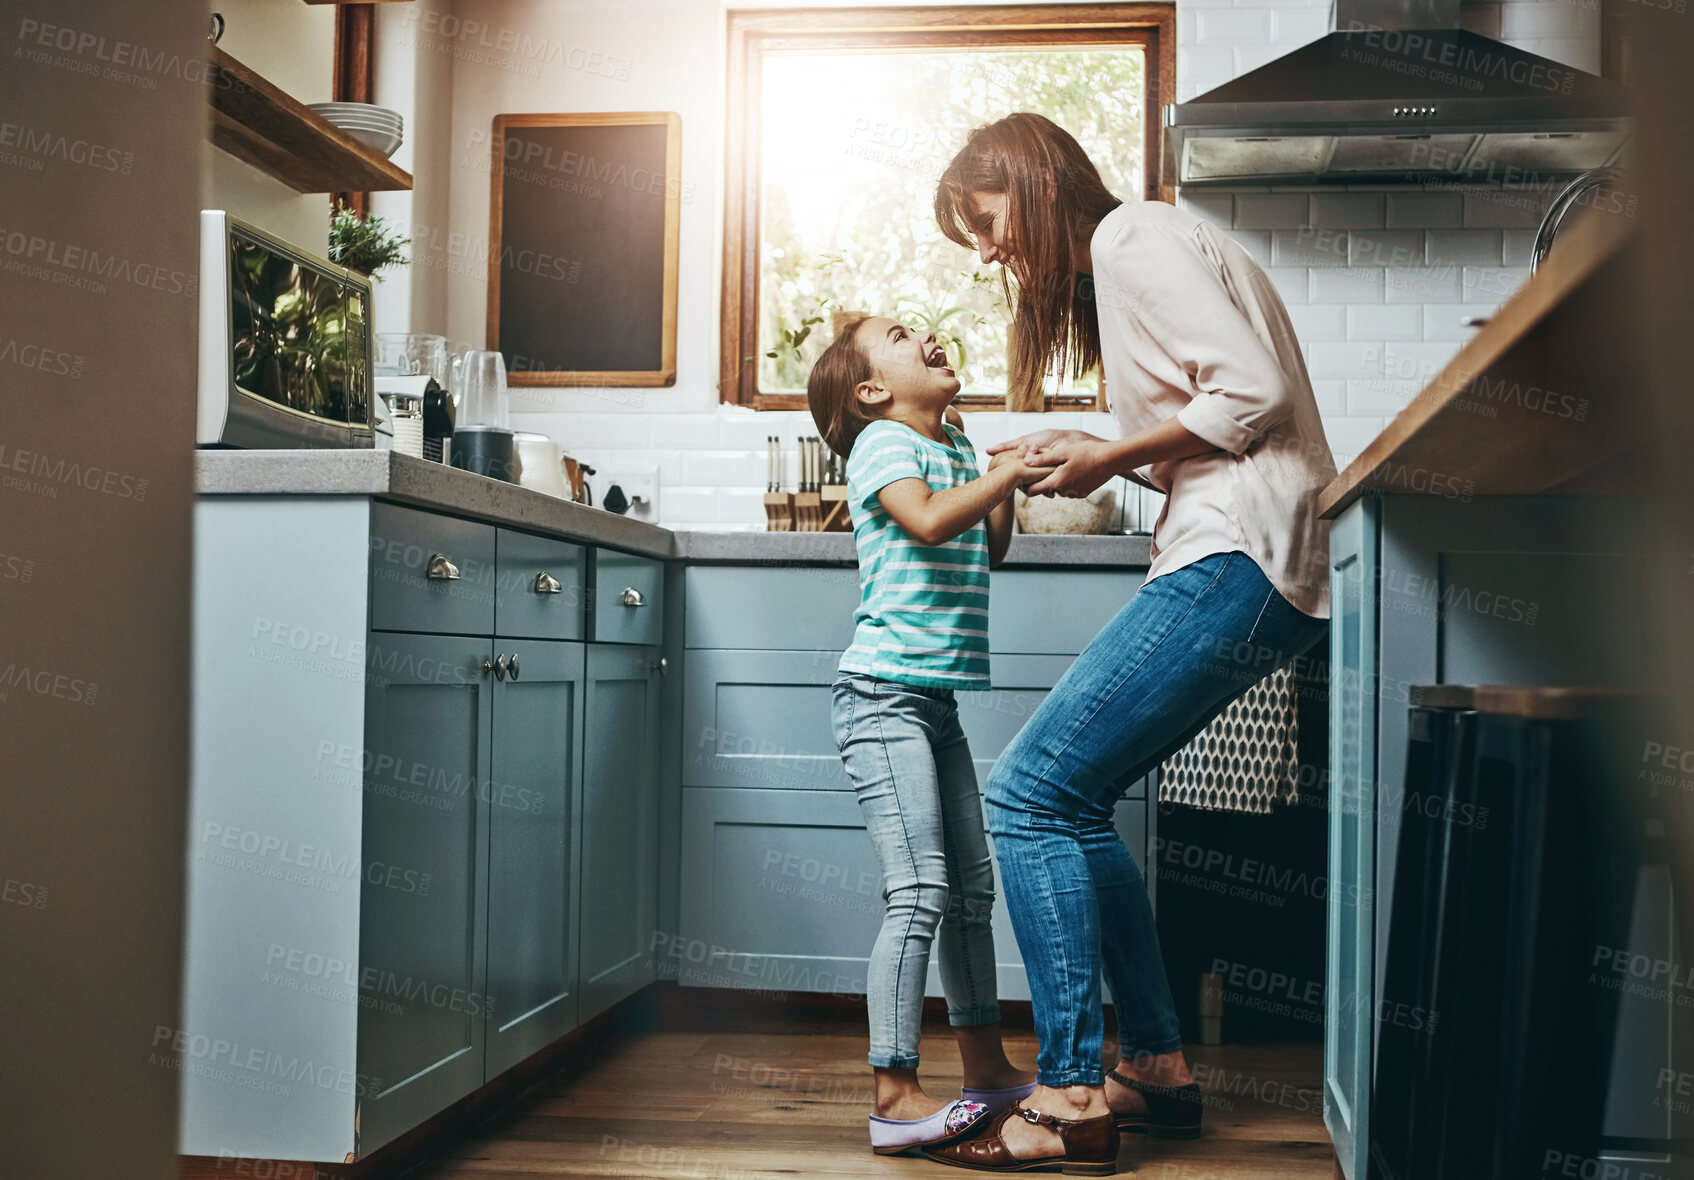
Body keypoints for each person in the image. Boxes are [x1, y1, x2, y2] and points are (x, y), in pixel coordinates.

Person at [921, 113, 1336, 1175]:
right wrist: (1102, 451)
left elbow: (1254, 396)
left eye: (986, 216)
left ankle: (1065, 1092)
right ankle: (1150, 1065)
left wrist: (1106, 456)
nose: (985, 249)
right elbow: (1225, 412)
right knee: (1072, 798)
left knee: (1026, 794)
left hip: (1234, 551)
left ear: (1032, 177)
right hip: (1251, 555)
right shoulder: (1146, 246)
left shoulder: (1129, 238)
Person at [805, 312, 1052, 1158]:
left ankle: (985, 1067)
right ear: (872, 390)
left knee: (971, 895)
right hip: (879, 699)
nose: (931, 334)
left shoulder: (953, 443)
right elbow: (930, 523)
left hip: (933, 702)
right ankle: (894, 1090)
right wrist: (999, 474)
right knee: (918, 892)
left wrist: (1003, 476)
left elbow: (988, 546)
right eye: (903, 334)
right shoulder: (881, 444)